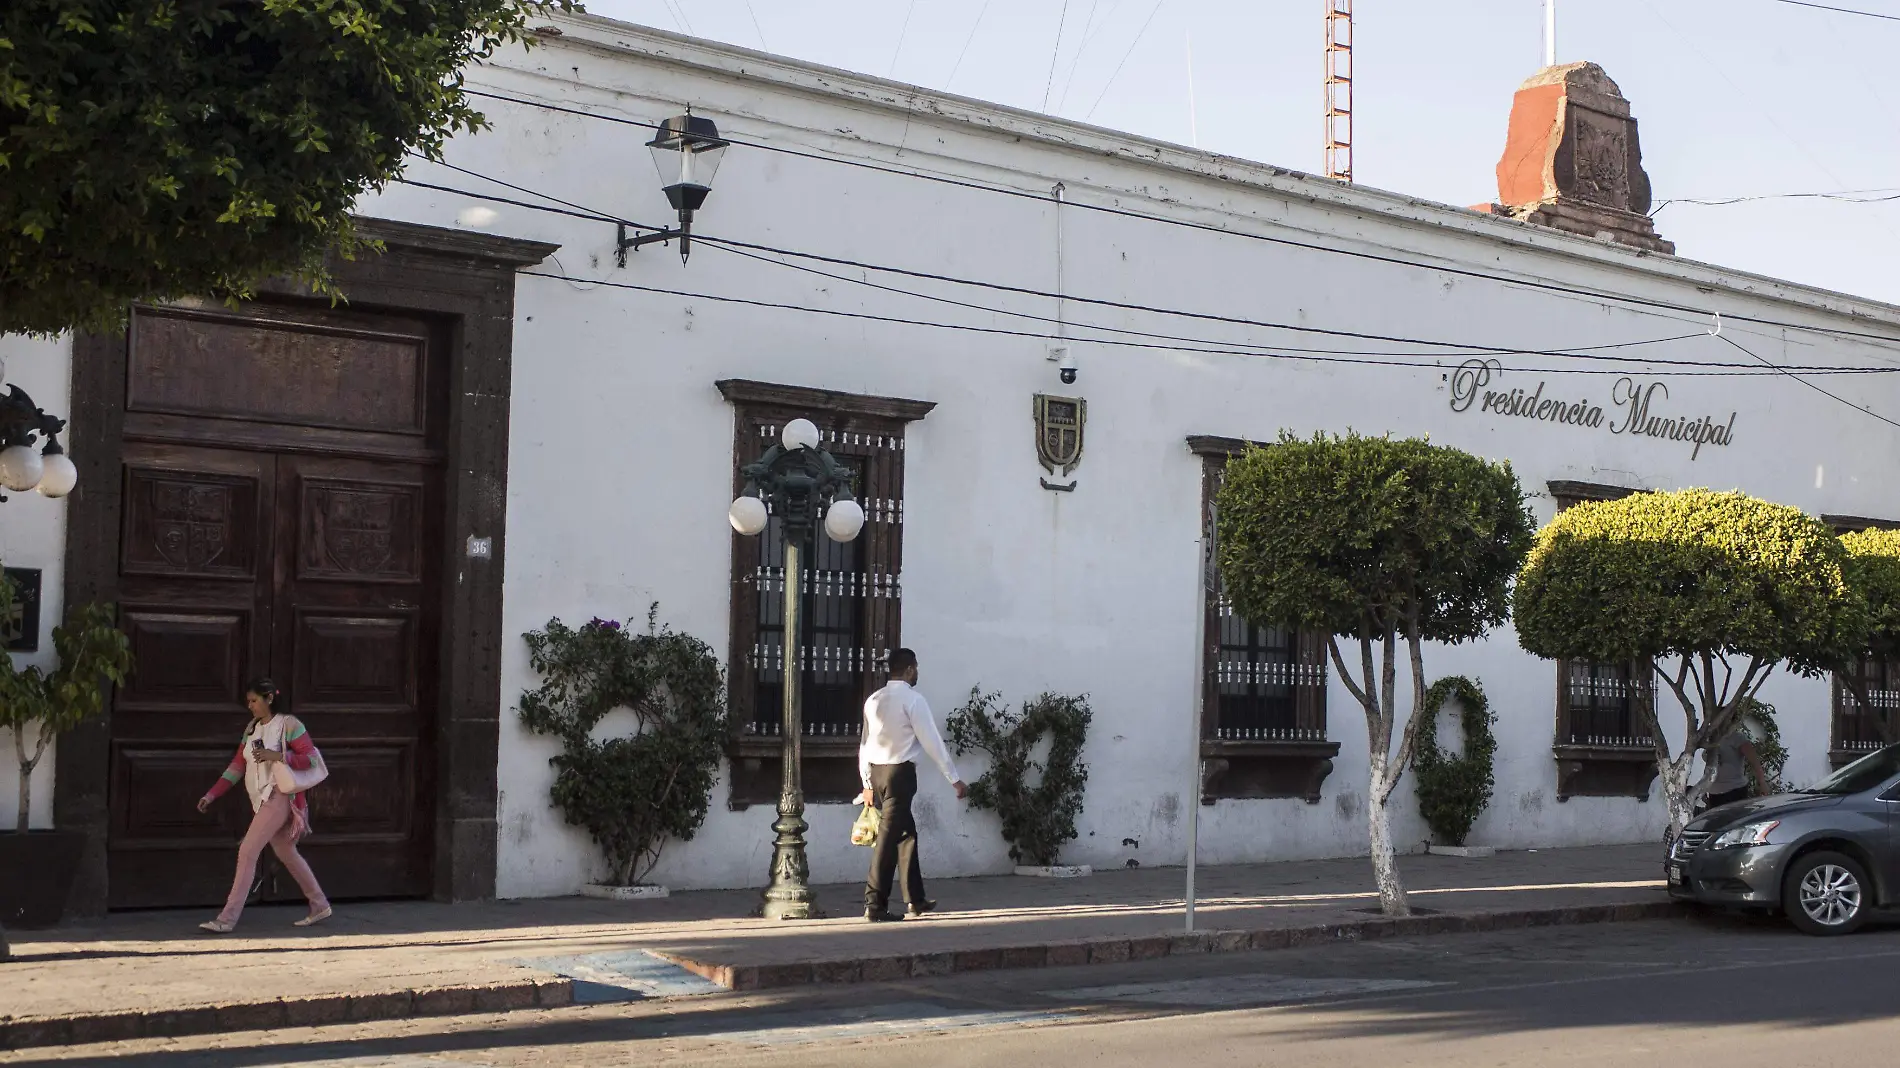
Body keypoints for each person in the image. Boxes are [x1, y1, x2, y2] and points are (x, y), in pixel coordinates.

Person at [195, 678, 331, 932]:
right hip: (262, 798)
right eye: (248, 702)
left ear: (269, 698)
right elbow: (238, 765)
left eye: (254, 700)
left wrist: (279, 756)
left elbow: (311, 760)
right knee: (286, 851)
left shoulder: (290, 724)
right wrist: (212, 794)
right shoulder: (252, 729)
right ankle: (319, 904)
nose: (250, 706)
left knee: (247, 851)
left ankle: (227, 918)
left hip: (280, 796)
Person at [856, 648, 966, 922]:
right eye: (915, 668)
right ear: (908, 670)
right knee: (888, 838)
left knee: (906, 834)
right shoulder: (914, 701)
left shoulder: (873, 700)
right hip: (899, 775)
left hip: (878, 775)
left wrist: (866, 782)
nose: (917, 672)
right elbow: (932, 742)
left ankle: (915, 900)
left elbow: (864, 744)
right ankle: (874, 904)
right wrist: (954, 778)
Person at [1697, 719, 1771, 815]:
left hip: (1734, 790)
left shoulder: (1737, 738)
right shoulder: (1712, 739)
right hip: (1714, 793)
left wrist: (1762, 783)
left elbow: (1755, 761)